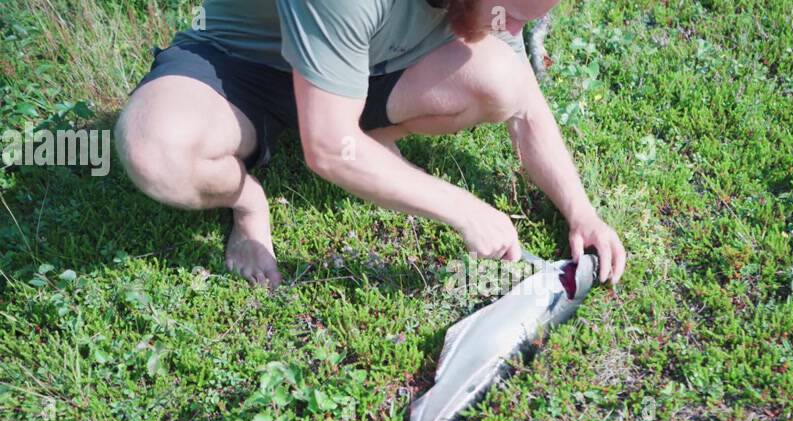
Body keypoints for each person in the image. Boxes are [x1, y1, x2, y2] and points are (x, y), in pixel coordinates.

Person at [115, 0, 627, 289]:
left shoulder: (494, 8)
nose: (512, 28)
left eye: (527, 19)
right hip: (241, 69)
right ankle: (248, 201)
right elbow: (329, 150)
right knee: (155, 150)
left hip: (359, 71)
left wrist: (580, 211)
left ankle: (376, 136)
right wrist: (465, 210)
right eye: (512, 13)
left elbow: (526, 107)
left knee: (503, 77)